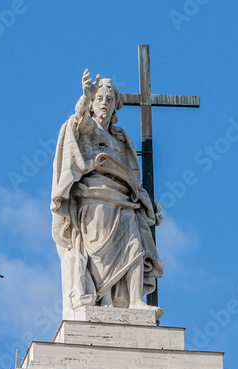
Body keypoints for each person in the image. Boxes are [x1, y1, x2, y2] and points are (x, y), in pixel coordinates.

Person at [51, 69, 163, 318]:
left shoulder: (121, 138)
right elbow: (76, 125)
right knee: (98, 253)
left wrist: (147, 203)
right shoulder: (87, 127)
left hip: (124, 199)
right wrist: (84, 97)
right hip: (95, 198)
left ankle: (134, 300)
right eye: (99, 98)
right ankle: (102, 299)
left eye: (109, 99)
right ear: (92, 103)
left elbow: (133, 176)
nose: (104, 103)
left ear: (115, 105)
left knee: (135, 245)